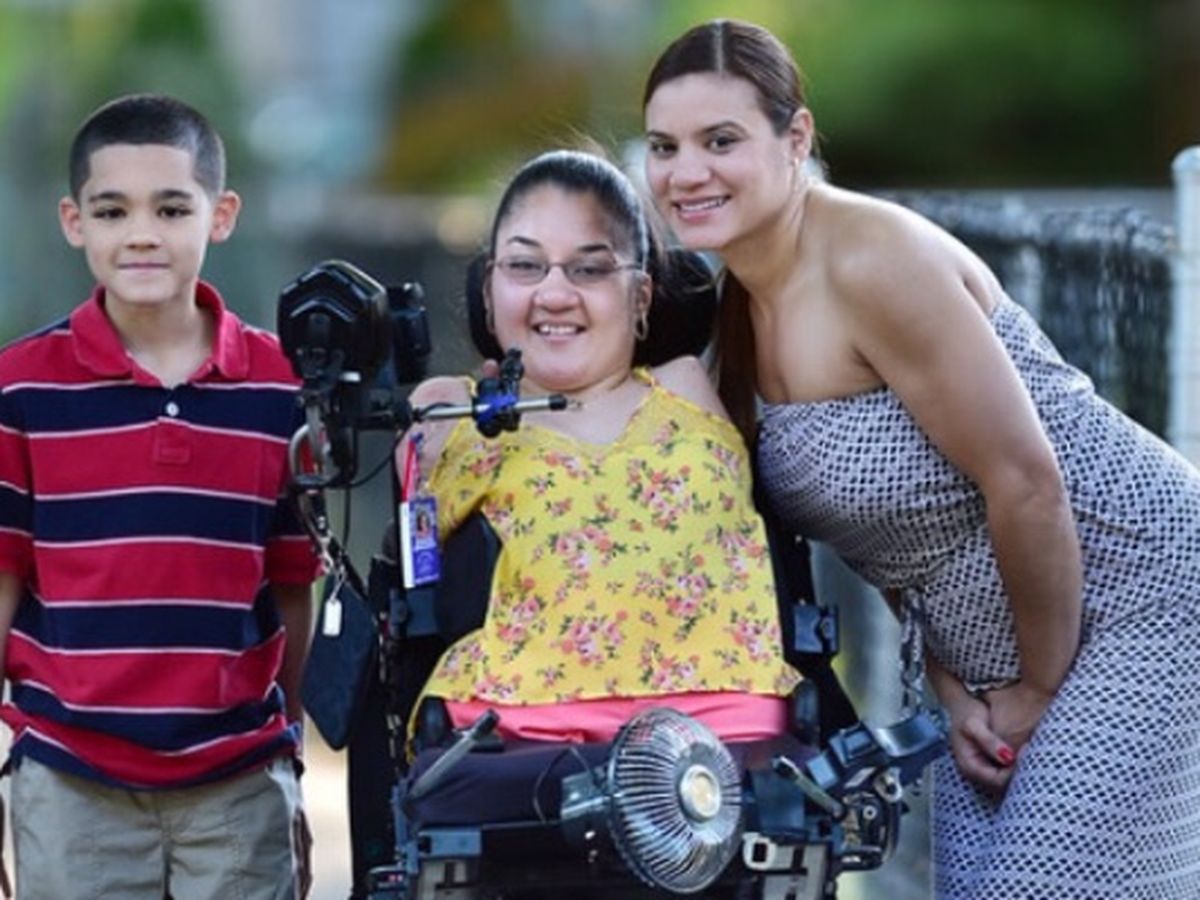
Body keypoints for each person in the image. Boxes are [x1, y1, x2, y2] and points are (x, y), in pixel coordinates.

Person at [641, 18, 1200, 900]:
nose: (686, 172)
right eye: (664, 147)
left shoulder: (872, 260)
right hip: (990, 652)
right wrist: (956, 684)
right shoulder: (735, 313)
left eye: (721, 141)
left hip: (1142, 591)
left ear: (796, 138)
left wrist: (1036, 689)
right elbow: (901, 540)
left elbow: (1027, 480)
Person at [0, 94, 319, 899]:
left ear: (222, 215)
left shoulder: (279, 388)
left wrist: (291, 756)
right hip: (71, 781)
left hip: (238, 782)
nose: (141, 233)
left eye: (172, 209)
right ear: (75, 221)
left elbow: (291, 588)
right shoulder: (22, 388)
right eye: (113, 211)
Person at [400, 148, 800, 752]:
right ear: (488, 290)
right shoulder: (450, 407)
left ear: (641, 297)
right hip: (515, 732)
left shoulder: (686, 386)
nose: (555, 294)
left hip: (726, 728)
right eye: (525, 266)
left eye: (589, 269)